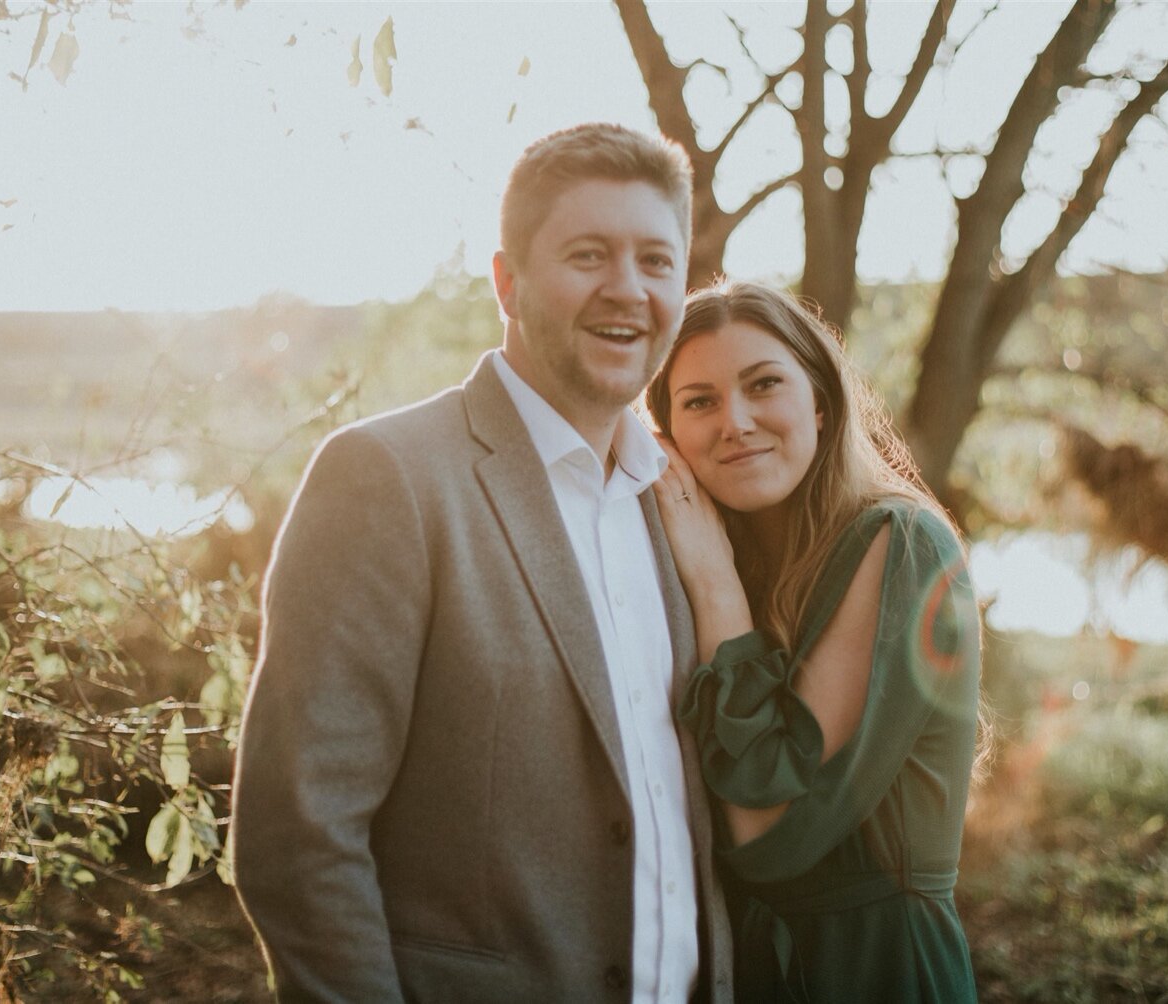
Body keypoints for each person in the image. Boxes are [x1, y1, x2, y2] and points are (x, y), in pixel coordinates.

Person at [231, 123, 733, 1003]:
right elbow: (301, 833)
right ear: (508, 282)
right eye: (588, 255)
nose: (629, 290)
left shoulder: (680, 496)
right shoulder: (389, 478)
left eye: (657, 261)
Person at [645, 281, 982, 1002]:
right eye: (699, 400)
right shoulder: (699, 553)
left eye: (763, 384)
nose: (734, 422)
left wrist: (714, 584)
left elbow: (776, 833)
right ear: (668, 433)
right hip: (744, 969)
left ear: (820, 403)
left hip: (875, 971)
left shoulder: (899, 542)